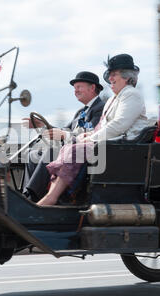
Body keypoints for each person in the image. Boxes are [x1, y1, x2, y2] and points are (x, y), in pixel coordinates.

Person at [37, 53, 150, 206]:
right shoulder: (113, 98)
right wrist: (88, 135)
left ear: (126, 77)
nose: (110, 78)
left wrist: (90, 138)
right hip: (111, 145)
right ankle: (57, 196)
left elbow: (118, 125)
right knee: (70, 147)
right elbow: (103, 126)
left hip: (123, 148)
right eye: (110, 75)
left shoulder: (131, 94)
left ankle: (52, 198)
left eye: (114, 74)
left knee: (74, 150)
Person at [22, 71, 105, 201]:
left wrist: (65, 135)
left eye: (79, 87)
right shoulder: (81, 111)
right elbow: (64, 130)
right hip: (70, 149)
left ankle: (33, 197)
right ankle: (29, 194)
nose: (75, 91)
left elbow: (92, 133)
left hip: (84, 154)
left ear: (92, 87)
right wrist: (42, 125)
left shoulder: (100, 108)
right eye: (74, 88)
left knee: (51, 151)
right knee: (32, 154)